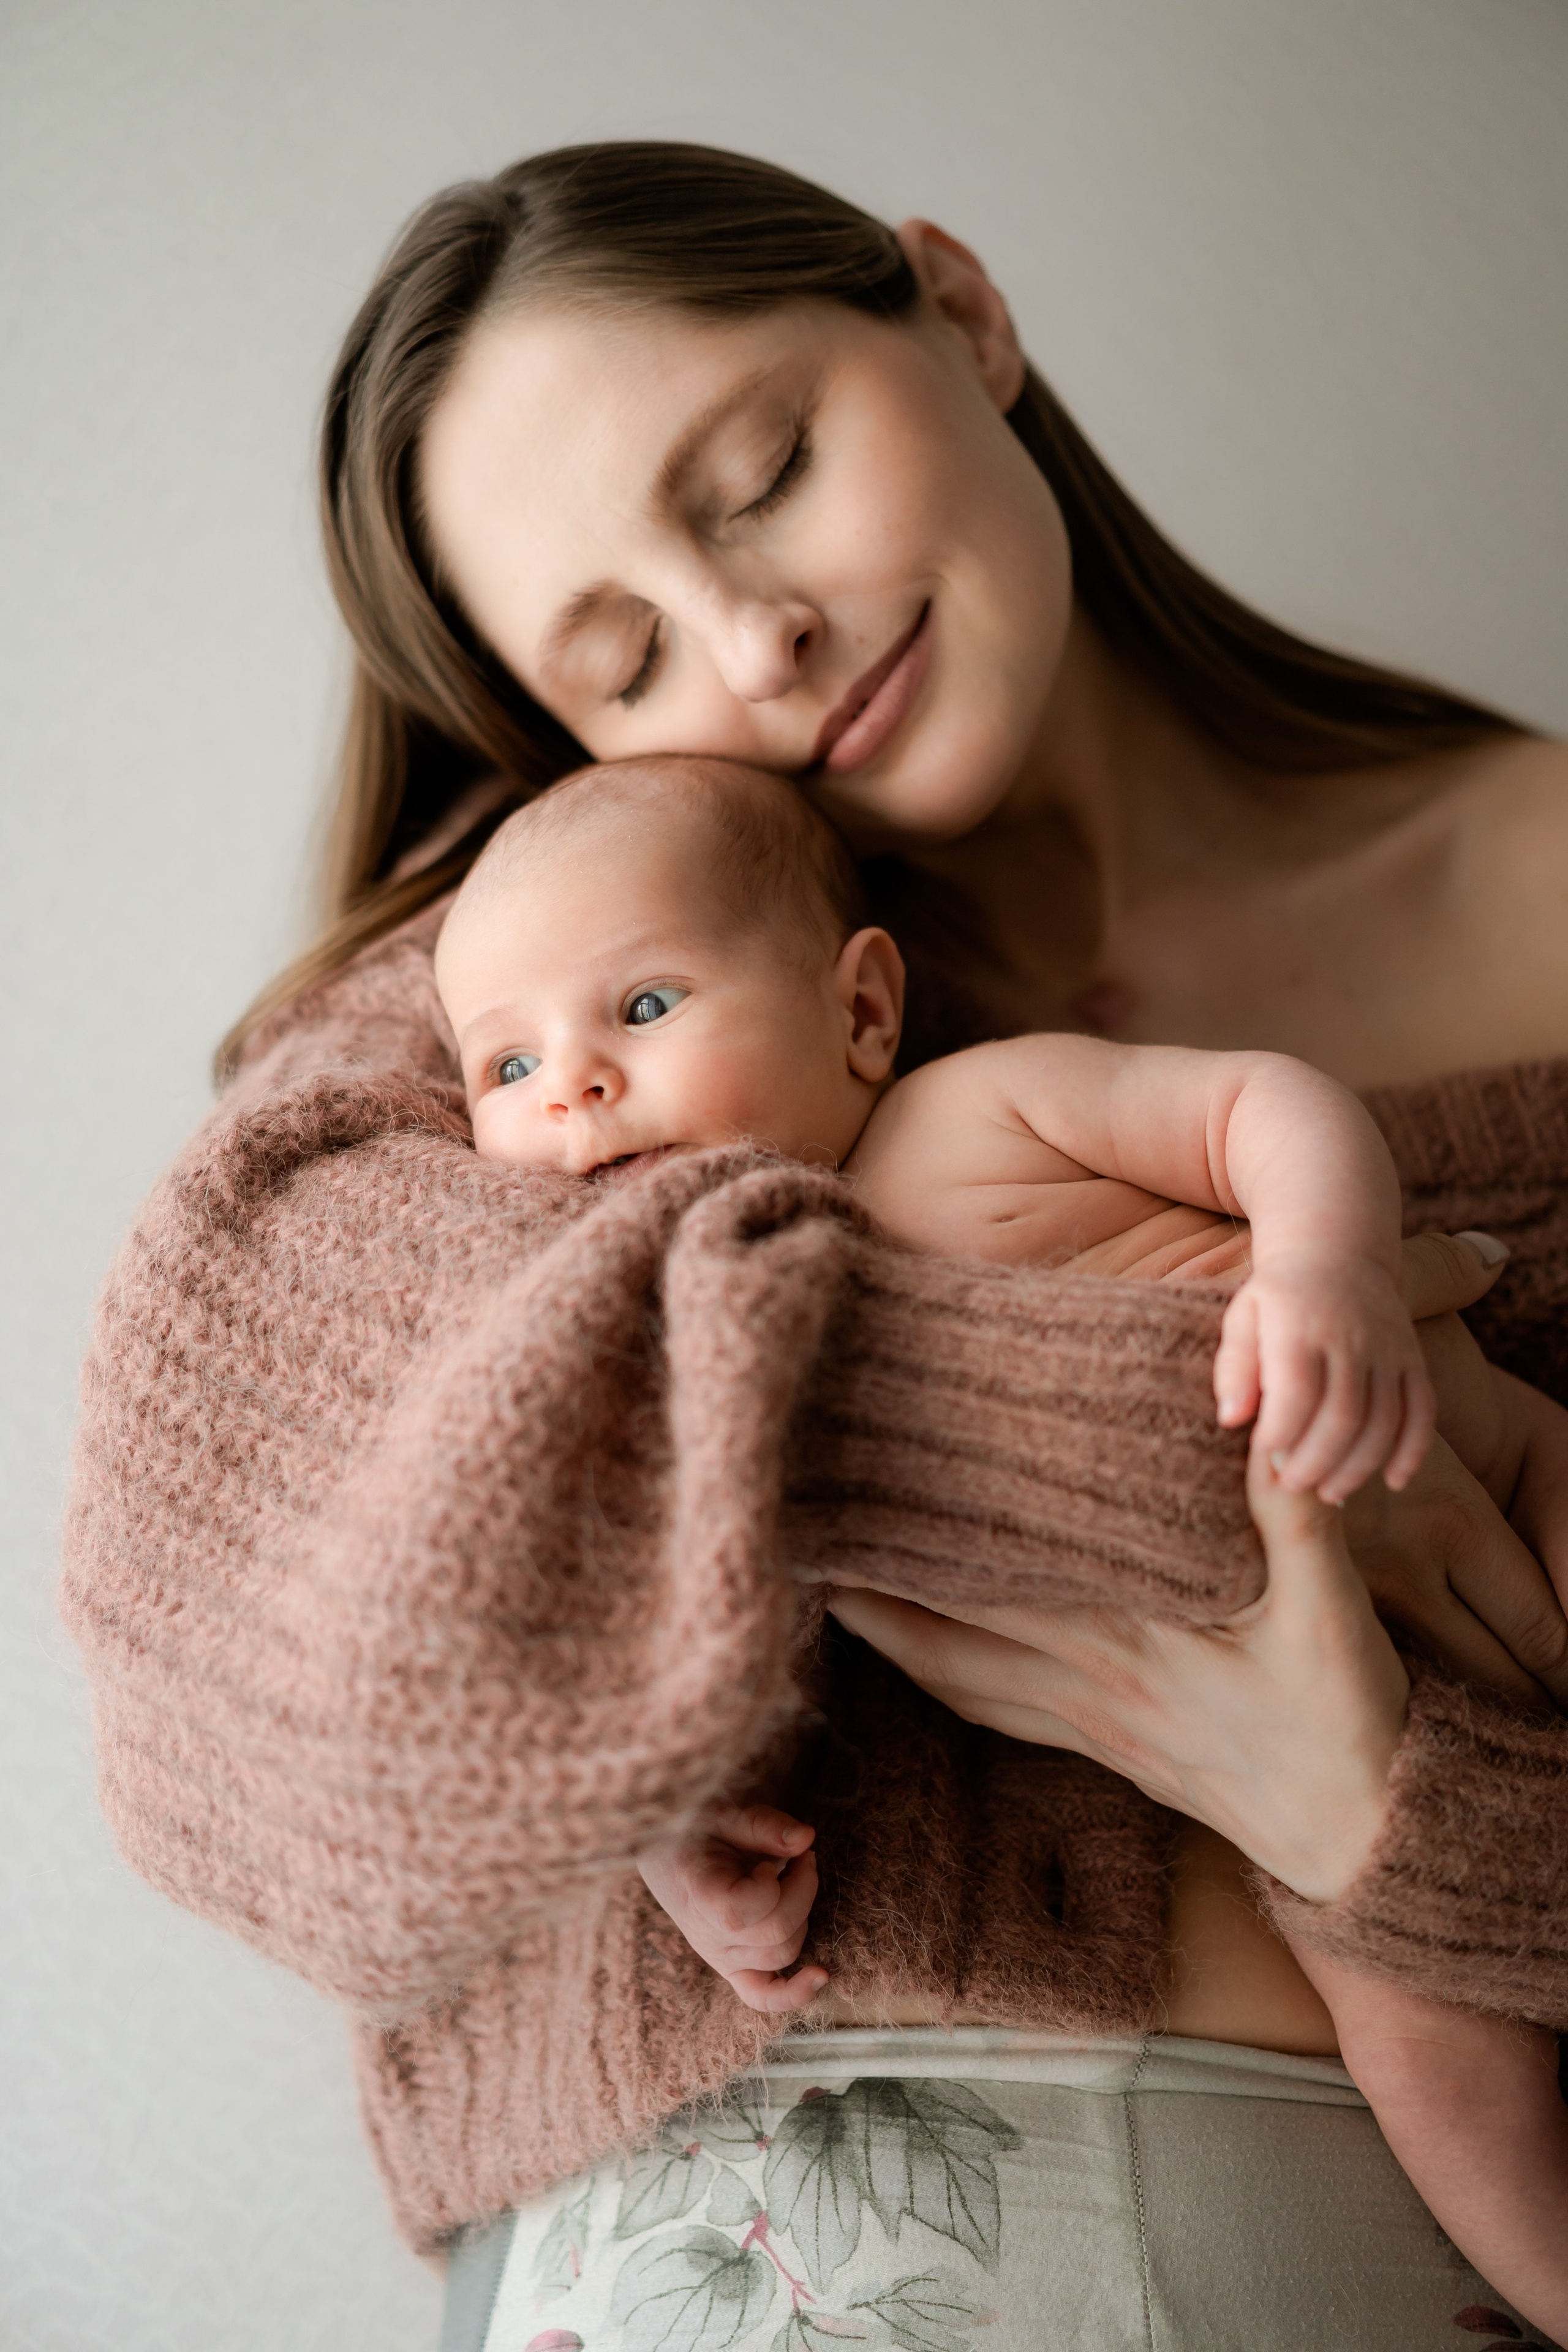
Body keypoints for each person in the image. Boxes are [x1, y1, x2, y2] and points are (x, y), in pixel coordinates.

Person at [61, 143, 1568, 2349]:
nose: (756, 639)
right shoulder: (539, 992)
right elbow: (248, 1661)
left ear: (956, 309)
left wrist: (1377, 1809)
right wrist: (1140, 1413)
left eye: (764, 469)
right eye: (622, 651)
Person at [434, 747, 1568, 2332]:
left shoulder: (978, 1111)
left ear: (862, 1013)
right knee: (1440, 2066)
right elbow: (651, 1640)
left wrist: (1329, 1274)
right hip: (1334, 1770)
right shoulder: (700, 1366)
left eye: (641, 1010)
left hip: (1493, 1479)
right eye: (502, 1071)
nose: (572, 1090)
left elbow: (1259, 1103)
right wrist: (671, 1841)